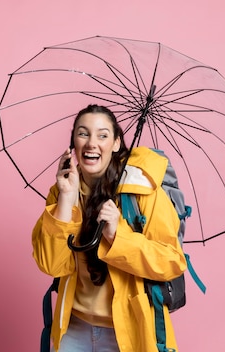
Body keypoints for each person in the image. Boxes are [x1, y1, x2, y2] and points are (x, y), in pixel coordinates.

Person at [32, 104, 187, 352]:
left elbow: (172, 261)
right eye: (83, 133)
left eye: (103, 135)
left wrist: (117, 236)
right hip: (74, 329)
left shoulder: (143, 192)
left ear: (116, 143)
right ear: (74, 141)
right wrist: (65, 199)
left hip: (127, 332)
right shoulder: (63, 190)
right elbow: (50, 264)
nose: (92, 143)